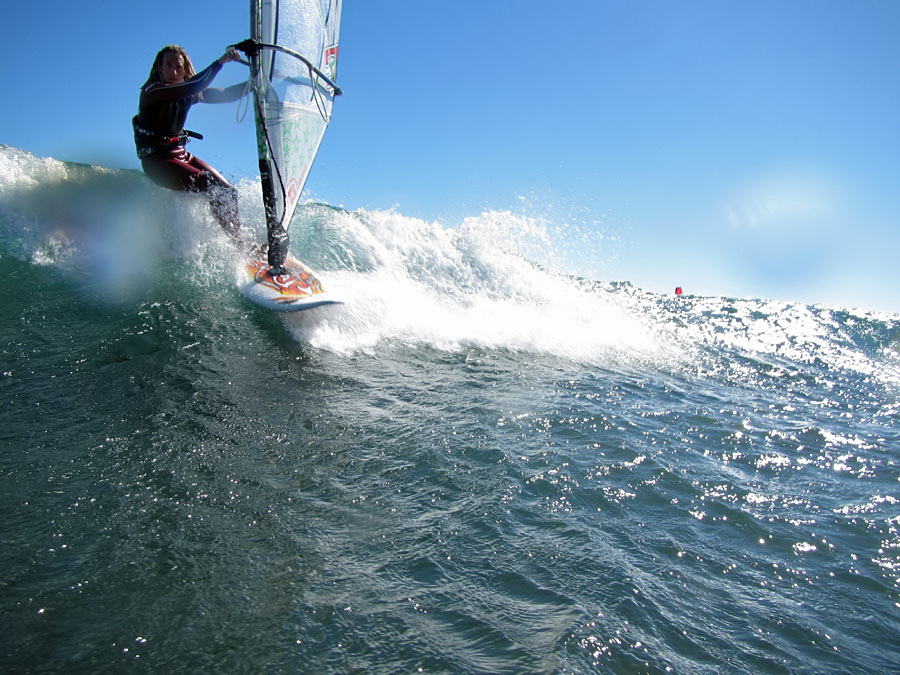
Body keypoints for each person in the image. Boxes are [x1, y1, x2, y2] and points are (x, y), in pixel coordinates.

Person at [133, 45, 247, 243]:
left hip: (180, 154)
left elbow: (224, 93)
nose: (173, 71)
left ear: (185, 70)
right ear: (159, 68)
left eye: (178, 67)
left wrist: (254, 84)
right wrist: (221, 62)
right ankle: (239, 245)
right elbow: (192, 86)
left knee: (228, 191)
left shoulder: (189, 92)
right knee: (212, 189)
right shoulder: (152, 92)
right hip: (157, 163)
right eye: (168, 66)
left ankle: (240, 239)